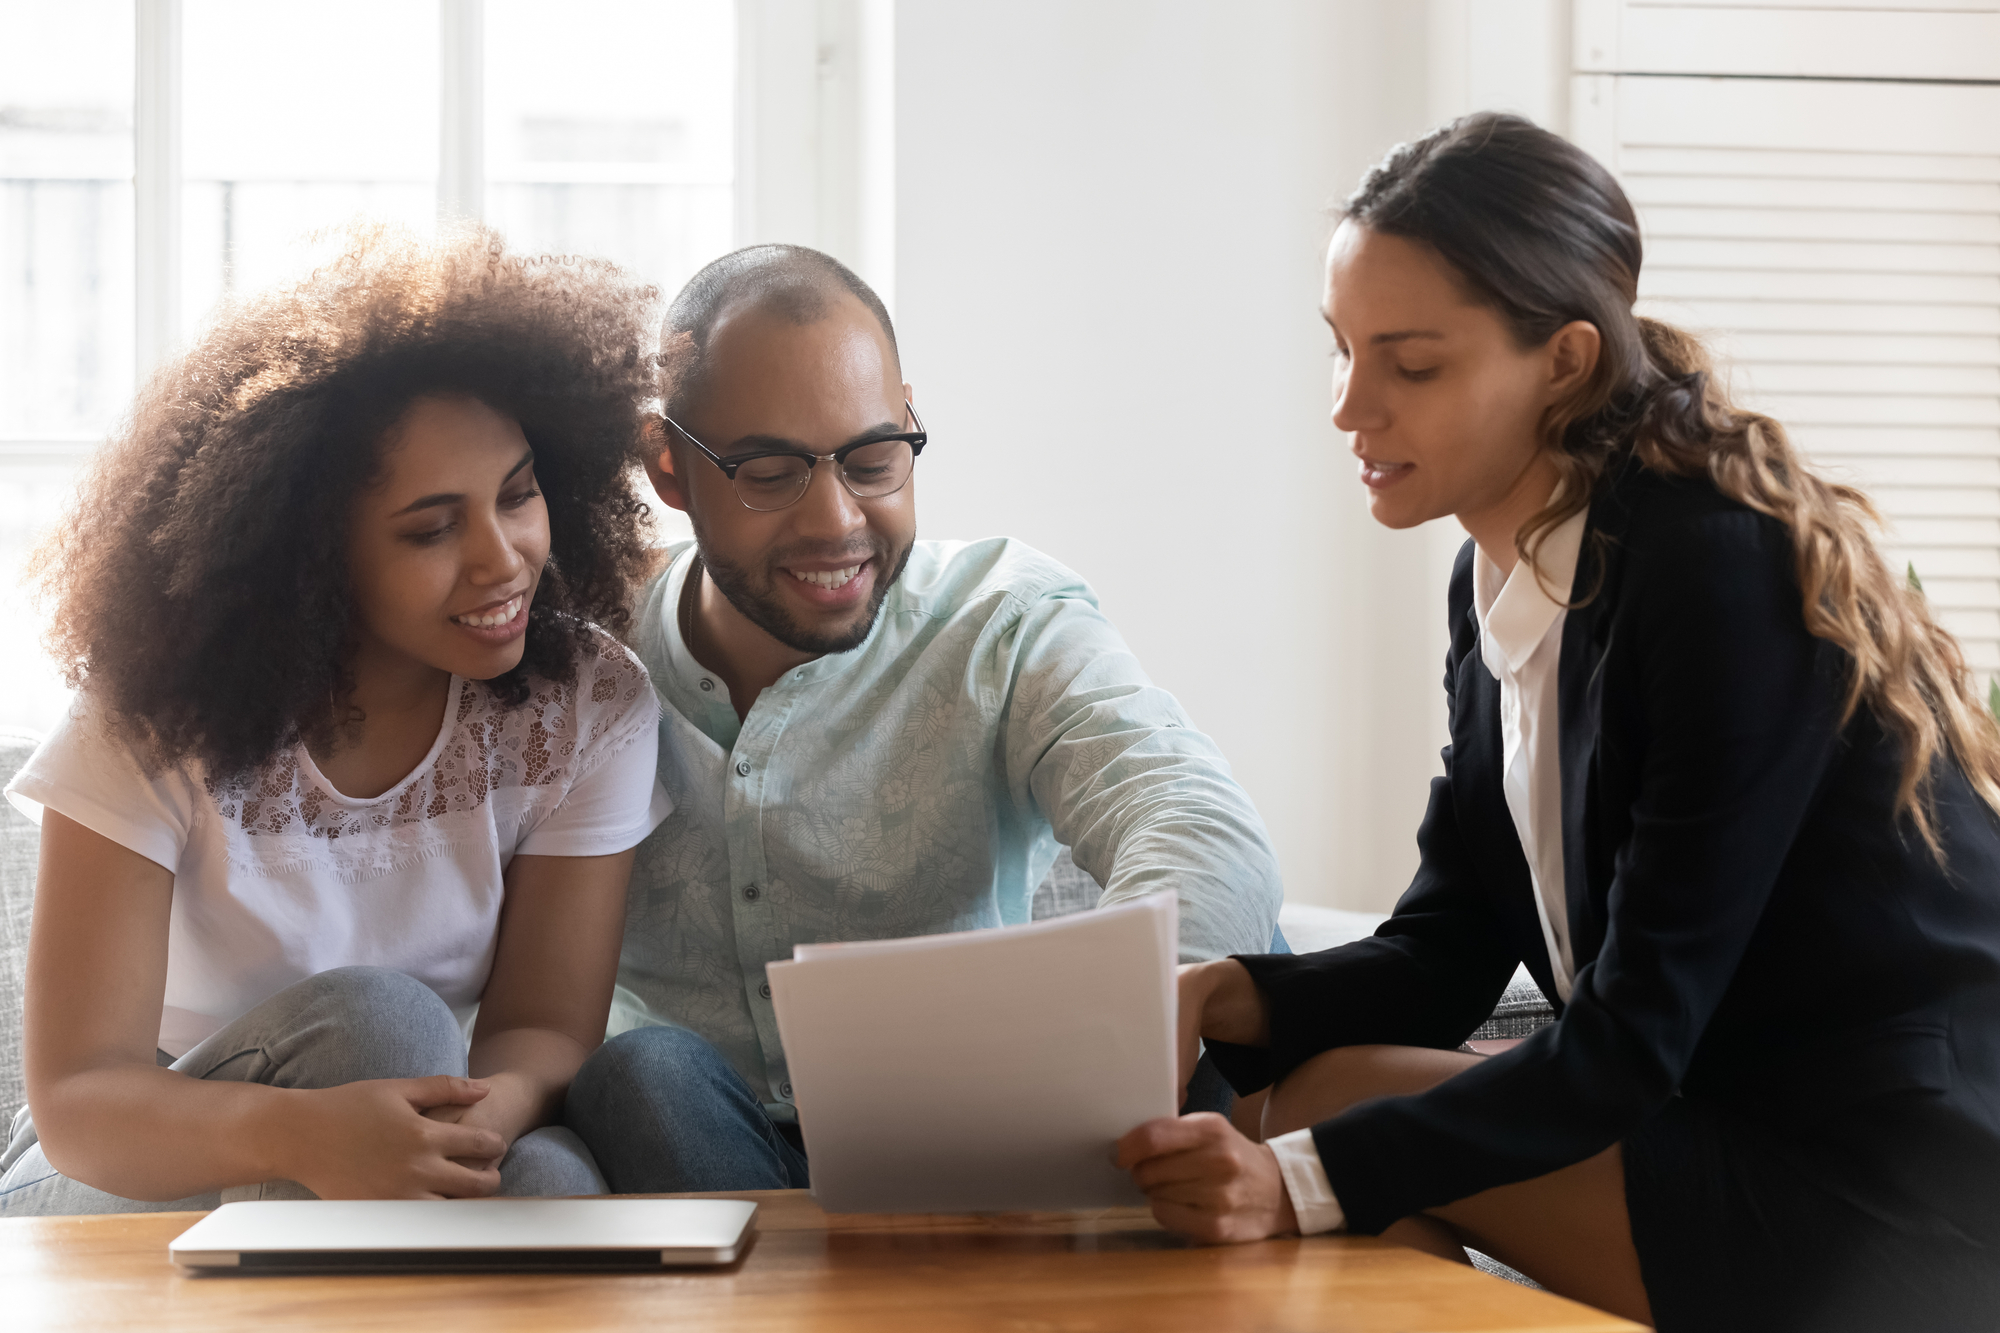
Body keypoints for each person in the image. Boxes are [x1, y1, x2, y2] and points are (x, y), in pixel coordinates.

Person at [1117, 114, 2000, 1331]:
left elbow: (1632, 1035)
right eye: (1340, 350)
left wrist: (1295, 1177)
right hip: (1715, 1125)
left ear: (1566, 360)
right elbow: (1444, 954)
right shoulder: (1499, 579)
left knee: (1314, 1131)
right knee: (1311, 1113)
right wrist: (1214, 991)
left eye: (1409, 365)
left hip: (1882, 1203)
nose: (1347, 408)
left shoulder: (1707, 570)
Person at [562, 244, 1285, 1193]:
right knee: (641, 1071)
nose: (836, 521)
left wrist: (1133, 1015)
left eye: (873, 461)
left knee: (1247, 961)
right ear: (668, 465)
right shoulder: (576, 654)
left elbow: (1193, 816)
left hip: (976, 1138)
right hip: (694, 1140)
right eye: (771, 473)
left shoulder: (1002, 618)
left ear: (909, 421)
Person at [0, 225, 671, 1215]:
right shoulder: (156, 715)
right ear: (308, 553)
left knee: (553, 1181)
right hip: (129, 1173)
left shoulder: (584, 701)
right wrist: (313, 1138)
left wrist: (463, 1133)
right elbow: (80, 1104)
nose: (503, 558)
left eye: (518, 494)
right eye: (432, 527)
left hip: (401, 1119)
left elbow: (539, 1032)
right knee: (381, 1021)